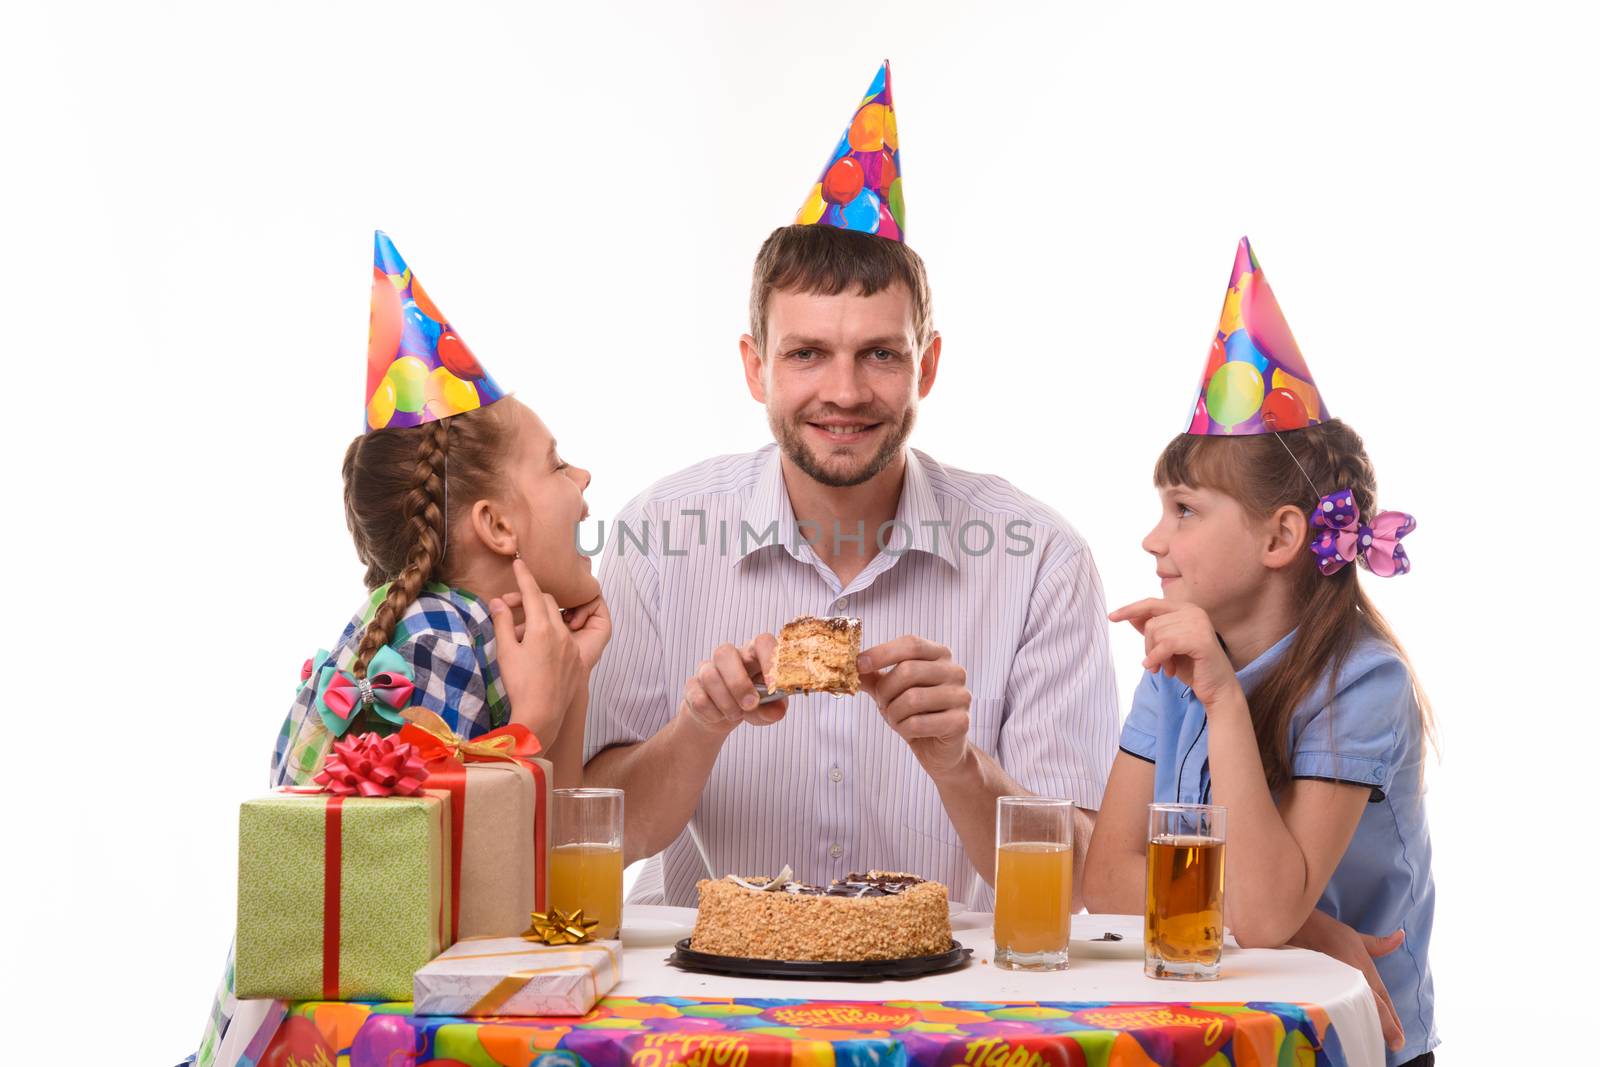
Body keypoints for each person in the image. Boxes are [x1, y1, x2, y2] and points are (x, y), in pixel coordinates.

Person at [584, 62, 1119, 911]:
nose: (844, 391)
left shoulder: (1043, 560)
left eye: (880, 352)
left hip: (951, 1009)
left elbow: (1089, 877)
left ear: (927, 364)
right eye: (806, 354)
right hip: (715, 995)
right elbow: (594, 830)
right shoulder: (658, 535)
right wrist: (699, 729)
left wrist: (958, 763)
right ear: (755, 366)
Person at [192, 232, 610, 1067]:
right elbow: (463, 905)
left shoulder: (450, 624)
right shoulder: (435, 642)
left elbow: (539, 861)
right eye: (558, 464)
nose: (585, 480)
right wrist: (531, 716)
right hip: (331, 1038)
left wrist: (570, 679)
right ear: (496, 525)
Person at [1081, 238, 1437, 1066]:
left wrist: (1222, 696)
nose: (1152, 538)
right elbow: (1104, 879)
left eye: (1183, 510)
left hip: (1342, 1044)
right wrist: (1306, 924)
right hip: (1214, 1030)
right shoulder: (1179, 659)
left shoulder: (1361, 681)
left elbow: (1264, 909)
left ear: (1281, 534)